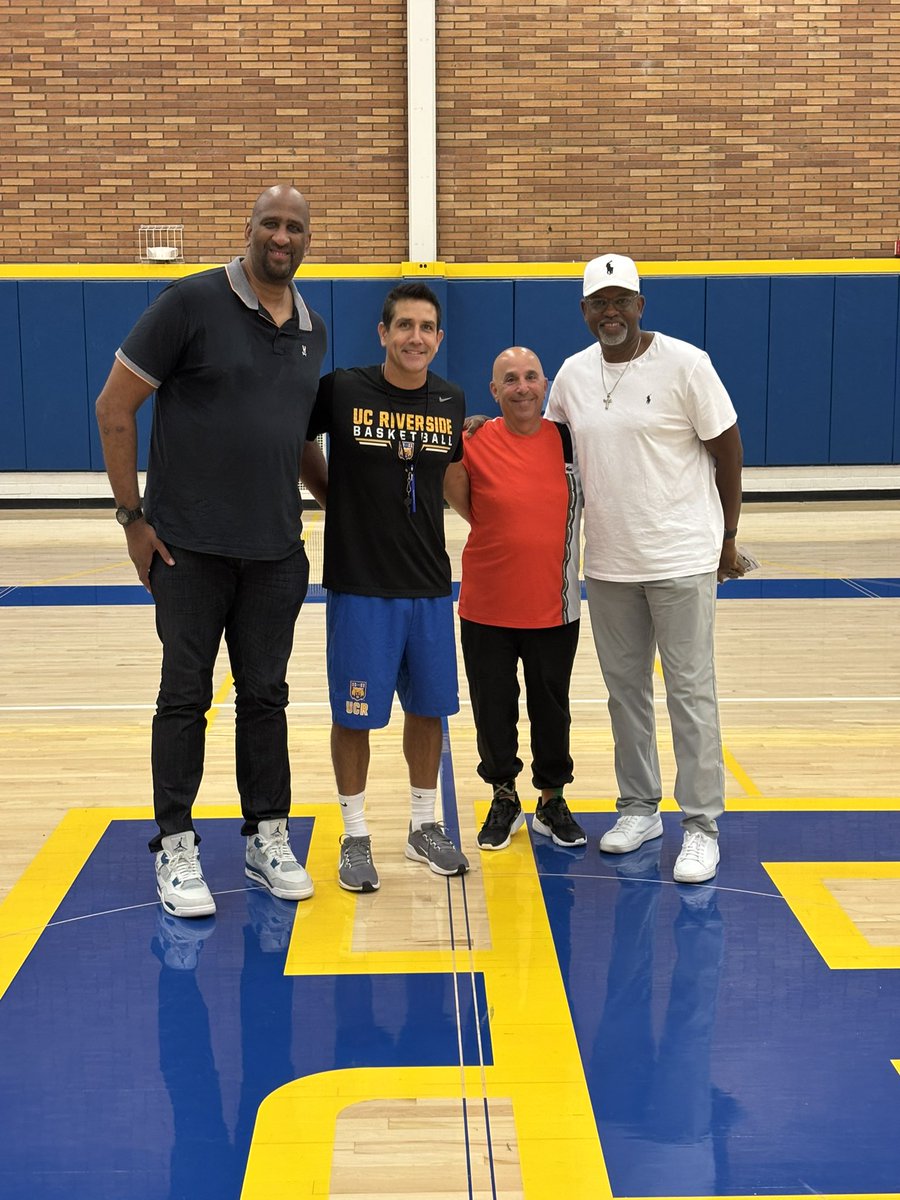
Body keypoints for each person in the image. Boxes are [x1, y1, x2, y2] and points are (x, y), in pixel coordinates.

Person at [95, 184, 328, 918]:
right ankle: (176, 844)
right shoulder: (188, 303)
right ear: (249, 227)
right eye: (271, 223)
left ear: (306, 238)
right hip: (188, 551)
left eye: (295, 226)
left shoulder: (313, 328)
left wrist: (354, 507)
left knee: (266, 699)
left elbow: (296, 441)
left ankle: (265, 835)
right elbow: (114, 406)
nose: (281, 237)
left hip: (274, 554)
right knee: (185, 699)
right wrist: (133, 517)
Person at [546, 253, 745, 884]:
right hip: (607, 562)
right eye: (598, 303)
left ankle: (702, 826)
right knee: (624, 693)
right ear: (584, 312)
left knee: (690, 692)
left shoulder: (688, 364)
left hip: (682, 556)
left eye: (620, 301)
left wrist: (729, 537)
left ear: (640, 305)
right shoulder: (572, 376)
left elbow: (728, 448)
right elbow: (545, 447)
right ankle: (639, 808)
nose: (610, 313)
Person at [304, 282, 469, 893]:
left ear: (439, 338)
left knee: (429, 710)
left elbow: (449, 478)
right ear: (383, 333)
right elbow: (297, 440)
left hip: (428, 583)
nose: (415, 337)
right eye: (404, 325)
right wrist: (332, 497)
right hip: (360, 583)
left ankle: (423, 825)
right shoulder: (344, 389)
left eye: (427, 327)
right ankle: (354, 834)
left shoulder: (450, 400)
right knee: (355, 717)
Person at [443, 346, 586, 851]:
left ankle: (551, 798)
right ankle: (503, 795)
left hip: (555, 605)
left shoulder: (570, 441)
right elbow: (461, 497)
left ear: (545, 385)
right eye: (510, 379)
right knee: (493, 707)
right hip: (486, 607)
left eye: (530, 377)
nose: (522, 387)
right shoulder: (471, 440)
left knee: (552, 706)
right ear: (494, 390)